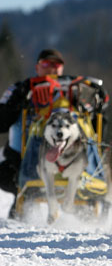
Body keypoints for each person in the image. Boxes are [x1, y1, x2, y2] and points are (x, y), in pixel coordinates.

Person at [0, 49, 66, 217]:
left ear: (62, 68)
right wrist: (18, 101)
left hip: (63, 158)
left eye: (56, 65)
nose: (51, 69)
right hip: (21, 159)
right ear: (37, 67)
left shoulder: (72, 91)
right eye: (46, 64)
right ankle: (21, 216)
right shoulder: (21, 88)